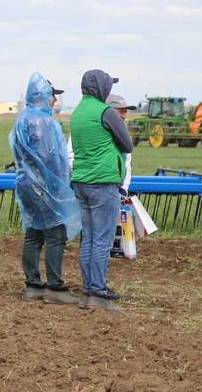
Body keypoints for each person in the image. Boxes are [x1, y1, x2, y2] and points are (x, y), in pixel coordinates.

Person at [9, 73, 81, 304]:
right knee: (55, 234)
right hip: (44, 185)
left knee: (33, 233)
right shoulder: (44, 122)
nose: (55, 101)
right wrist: (58, 185)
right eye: (53, 96)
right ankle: (54, 287)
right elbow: (50, 158)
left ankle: (32, 285)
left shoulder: (22, 118)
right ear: (43, 96)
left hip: (25, 183)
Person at [70, 69, 134, 312]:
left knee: (88, 237)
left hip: (81, 182)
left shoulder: (77, 113)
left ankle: (88, 289)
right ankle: (97, 291)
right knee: (102, 239)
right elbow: (127, 144)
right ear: (100, 88)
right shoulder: (105, 112)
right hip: (103, 182)